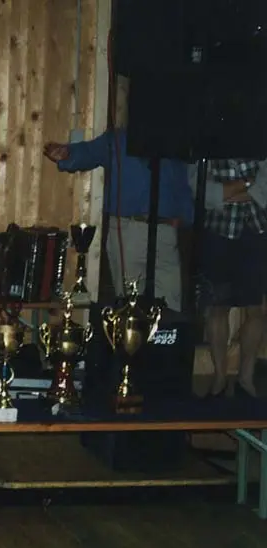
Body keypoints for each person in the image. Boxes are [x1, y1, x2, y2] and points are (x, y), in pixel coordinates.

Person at [42, 74, 193, 309]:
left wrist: (185, 219)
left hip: (165, 232)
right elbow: (88, 152)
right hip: (129, 230)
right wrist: (67, 154)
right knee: (131, 308)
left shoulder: (173, 144)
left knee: (170, 305)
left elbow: (182, 186)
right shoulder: (119, 140)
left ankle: (164, 334)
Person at [196, 159, 267, 398]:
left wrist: (228, 193)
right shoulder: (207, 142)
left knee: (256, 309)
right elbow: (202, 190)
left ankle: (246, 379)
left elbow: (264, 187)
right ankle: (219, 378)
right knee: (217, 307)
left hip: (256, 231)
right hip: (218, 232)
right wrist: (247, 185)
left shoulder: (261, 141)